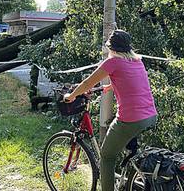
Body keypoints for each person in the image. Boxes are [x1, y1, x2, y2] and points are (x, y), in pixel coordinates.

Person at [64, 29, 157, 191]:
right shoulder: (137, 61)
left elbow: (87, 84)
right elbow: (129, 81)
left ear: (111, 48)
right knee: (126, 149)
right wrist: (109, 86)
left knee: (107, 158)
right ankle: (131, 178)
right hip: (150, 115)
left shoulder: (112, 62)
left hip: (130, 119)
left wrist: (71, 96)